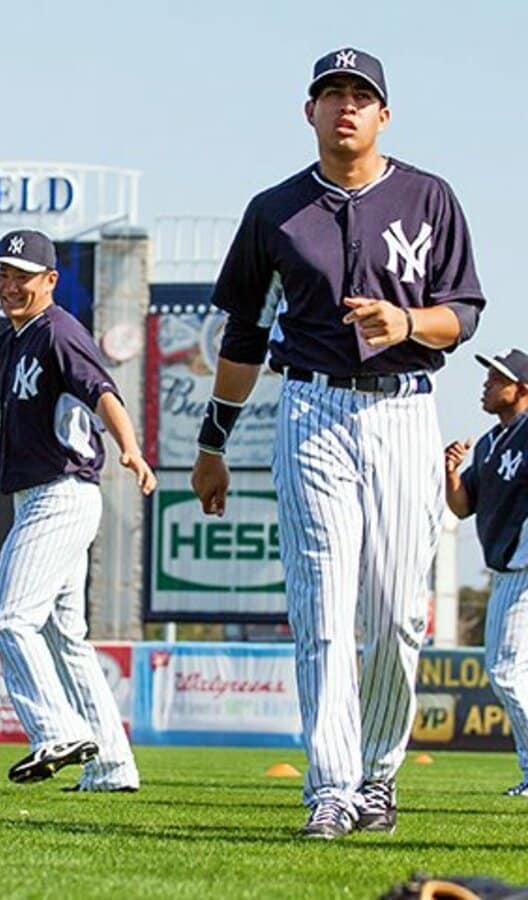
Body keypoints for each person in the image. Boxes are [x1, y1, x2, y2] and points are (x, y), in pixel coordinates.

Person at [190, 48, 485, 839]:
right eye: (332, 94)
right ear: (310, 111)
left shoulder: (429, 197)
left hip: (402, 411)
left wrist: (409, 323)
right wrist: (212, 442)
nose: (346, 106)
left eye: (361, 95)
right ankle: (330, 785)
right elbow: (245, 335)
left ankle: (379, 774)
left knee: (393, 612)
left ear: (384, 113)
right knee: (321, 606)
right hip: (312, 411)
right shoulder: (274, 209)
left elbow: (464, 313)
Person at [0, 229, 155, 790]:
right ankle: (113, 765)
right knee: (65, 638)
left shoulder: (59, 331)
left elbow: (104, 392)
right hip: (42, 498)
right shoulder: (9, 342)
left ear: (50, 281)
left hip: (59, 494)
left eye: (23, 275)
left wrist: (130, 449)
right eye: (4, 274)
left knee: (8, 620)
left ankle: (55, 731)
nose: (11, 285)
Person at [445, 350, 528, 796]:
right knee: (508, 673)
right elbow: (461, 507)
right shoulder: (491, 442)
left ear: (523, 389)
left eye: (498, 379)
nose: (487, 384)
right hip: (506, 573)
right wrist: (451, 472)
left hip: (524, 568)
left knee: (507, 673)